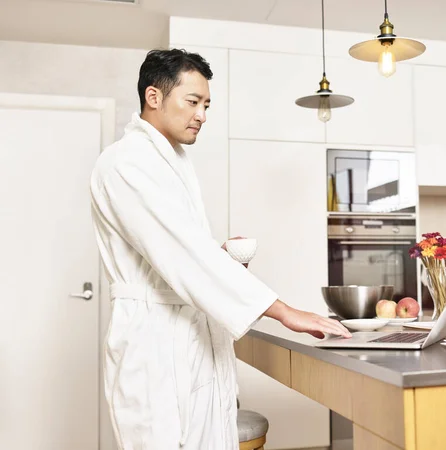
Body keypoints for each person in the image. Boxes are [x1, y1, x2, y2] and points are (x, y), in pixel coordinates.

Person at [89, 48, 351, 450]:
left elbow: (181, 250)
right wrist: (284, 312)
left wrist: (220, 259)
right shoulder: (127, 163)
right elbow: (184, 256)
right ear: (153, 97)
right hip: (156, 344)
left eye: (207, 105)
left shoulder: (169, 162)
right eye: (193, 102)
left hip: (189, 333)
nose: (202, 115)